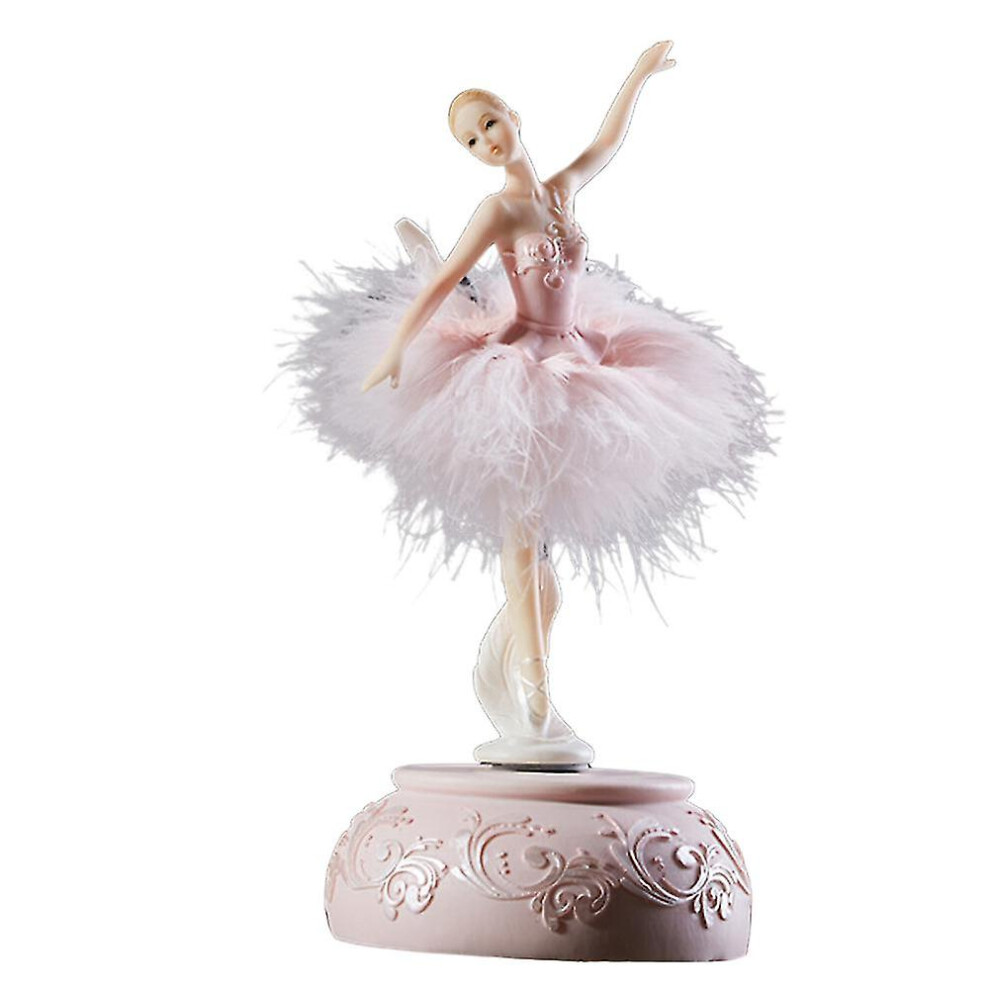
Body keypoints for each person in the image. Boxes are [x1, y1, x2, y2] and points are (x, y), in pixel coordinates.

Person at [285, 42, 774, 765]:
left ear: (512, 116)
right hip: (523, 366)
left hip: (581, 354)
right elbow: (443, 280)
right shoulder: (499, 209)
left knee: (545, 547)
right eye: (470, 141)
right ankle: (534, 692)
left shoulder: (559, 192)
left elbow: (606, 143)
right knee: (522, 529)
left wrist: (638, 75)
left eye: (489, 123)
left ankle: (521, 677)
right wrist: (395, 350)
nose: (486, 142)